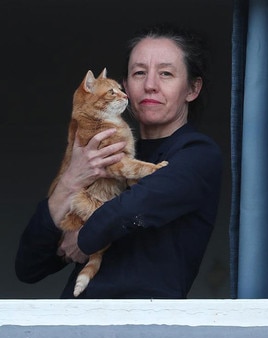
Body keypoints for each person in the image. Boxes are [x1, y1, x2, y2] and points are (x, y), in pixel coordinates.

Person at [15, 24, 223, 298]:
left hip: (146, 327)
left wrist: (85, 238)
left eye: (166, 73)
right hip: (77, 324)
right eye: (139, 73)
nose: (150, 85)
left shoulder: (197, 153)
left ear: (192, 89)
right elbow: (29, 266)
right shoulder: (96, 154)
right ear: (124, 87)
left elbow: (134, 207)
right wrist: (70, 181)